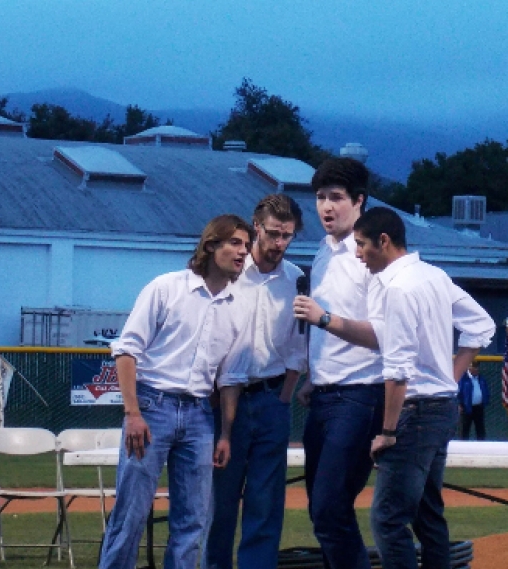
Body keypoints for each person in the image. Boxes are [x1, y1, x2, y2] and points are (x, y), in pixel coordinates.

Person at [101, 215, 254, 569]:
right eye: (235, 243)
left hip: (200, 415)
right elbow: (126, 351)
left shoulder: (238, 308)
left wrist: (225, 433)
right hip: (152, 406)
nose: (243, 252)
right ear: (211, 245)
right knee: (131, 514)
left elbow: (230, 378)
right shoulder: (166, 288)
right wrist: (133, 413)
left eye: (246, 245)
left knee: (193, 521)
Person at [355, 207, 495, 569]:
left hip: (415, 411)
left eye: (360, 244)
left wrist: (386, 431)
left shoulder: (398, 289)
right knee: (428, 515)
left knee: (387, 518)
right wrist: (452, 376)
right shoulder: (433, 276)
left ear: (383, 242)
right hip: (441, 406)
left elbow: (398, 369)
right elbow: (482, 325)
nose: (357, 254)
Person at [292, 157, 385, 569]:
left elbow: (383, 334)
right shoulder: (323, 251)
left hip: (361, 395)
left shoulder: (373, 254)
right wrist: (314, 375)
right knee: (323, 512)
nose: (326, 206)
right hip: (326, 396)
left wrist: (324, 319)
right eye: (320, 197)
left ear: (359, 201)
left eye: (336, 198)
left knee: (330, 509)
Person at [205, 195, 306, 569]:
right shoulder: (229, 271)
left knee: (265, 504)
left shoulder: (295, 280)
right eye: (274, 233)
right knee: (220, 502)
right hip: (222, 403)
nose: (280, 243)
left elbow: (299, 344)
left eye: (288, 236)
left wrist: (285, 395)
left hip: (271, 400)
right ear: (256, 227)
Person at [457, 361, 489, 440]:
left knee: (480, 429)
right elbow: (459, 392)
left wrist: (485, 400)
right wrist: (460, 404)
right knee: (465, 429)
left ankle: (481, 447)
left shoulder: (481, 379)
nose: (474, 369)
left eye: (476, 367)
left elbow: (485, 390)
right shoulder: (464, 379)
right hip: (467, 408)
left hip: (478, 407)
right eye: (472, 366)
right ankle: (463, 447)